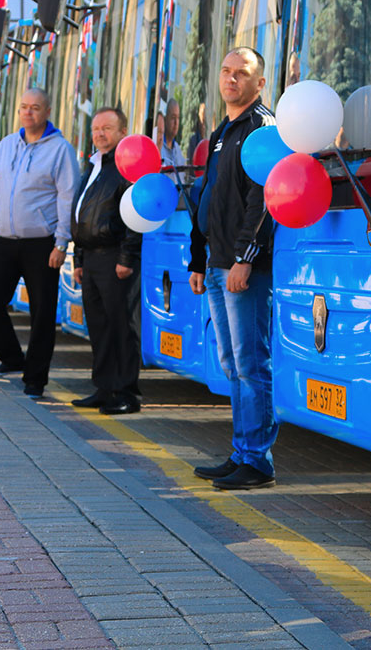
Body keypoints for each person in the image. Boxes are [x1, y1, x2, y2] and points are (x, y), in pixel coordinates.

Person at [188, 47, 278, 490]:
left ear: (259, 83)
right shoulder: (224, 131)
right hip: (218, 265)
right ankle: (242, 450)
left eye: (241, 73)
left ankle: (257, 460)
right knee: (231, 363)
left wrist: (245, 258)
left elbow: (263, 201)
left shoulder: (261, 127)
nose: (231, 79)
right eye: (225, 72)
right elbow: (206, 199)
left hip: (243, 268)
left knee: (250, 363)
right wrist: (198, 259)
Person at [0, 88, 79, 398]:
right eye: (23, 107)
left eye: (35, 108)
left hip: (42, 245)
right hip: (3, 241)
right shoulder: (5, 146)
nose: (28, 112)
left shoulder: (60, 150)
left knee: (42, 313)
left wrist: (61, 243)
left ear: (47, 111)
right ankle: (11, 358)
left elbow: (67, 197)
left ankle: (35, 379)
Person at [68, 107, 143, 414]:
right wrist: (78, 258)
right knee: (98, 325)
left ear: (122, 132)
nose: (99, 134)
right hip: (92, 258)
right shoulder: (93, 165)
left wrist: (127, 257)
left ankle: (126, 393)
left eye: (107, 129)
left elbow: (135, 215)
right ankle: (103, 388)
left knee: (122, 326)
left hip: (116, 258)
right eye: (96, 128)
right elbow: (82, 215)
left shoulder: (126, 166)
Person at [158, 99, 187, 184]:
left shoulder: (178, 149)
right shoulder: (159, 146)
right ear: (165, 119)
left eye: (178, 118)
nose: (176, 123)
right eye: (173, 118)